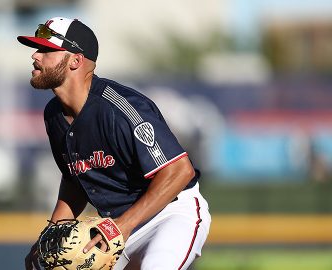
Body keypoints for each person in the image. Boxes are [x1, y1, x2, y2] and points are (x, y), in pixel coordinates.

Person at [18, 17, 211, 270]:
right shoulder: (53, 115)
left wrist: (121, 226)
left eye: (47, 50)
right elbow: (74, 180)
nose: (35, 56)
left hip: (169, 214)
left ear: (75, 61)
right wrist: (51, 234)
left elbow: (179, 171)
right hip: (115, 226)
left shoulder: (120, 108)